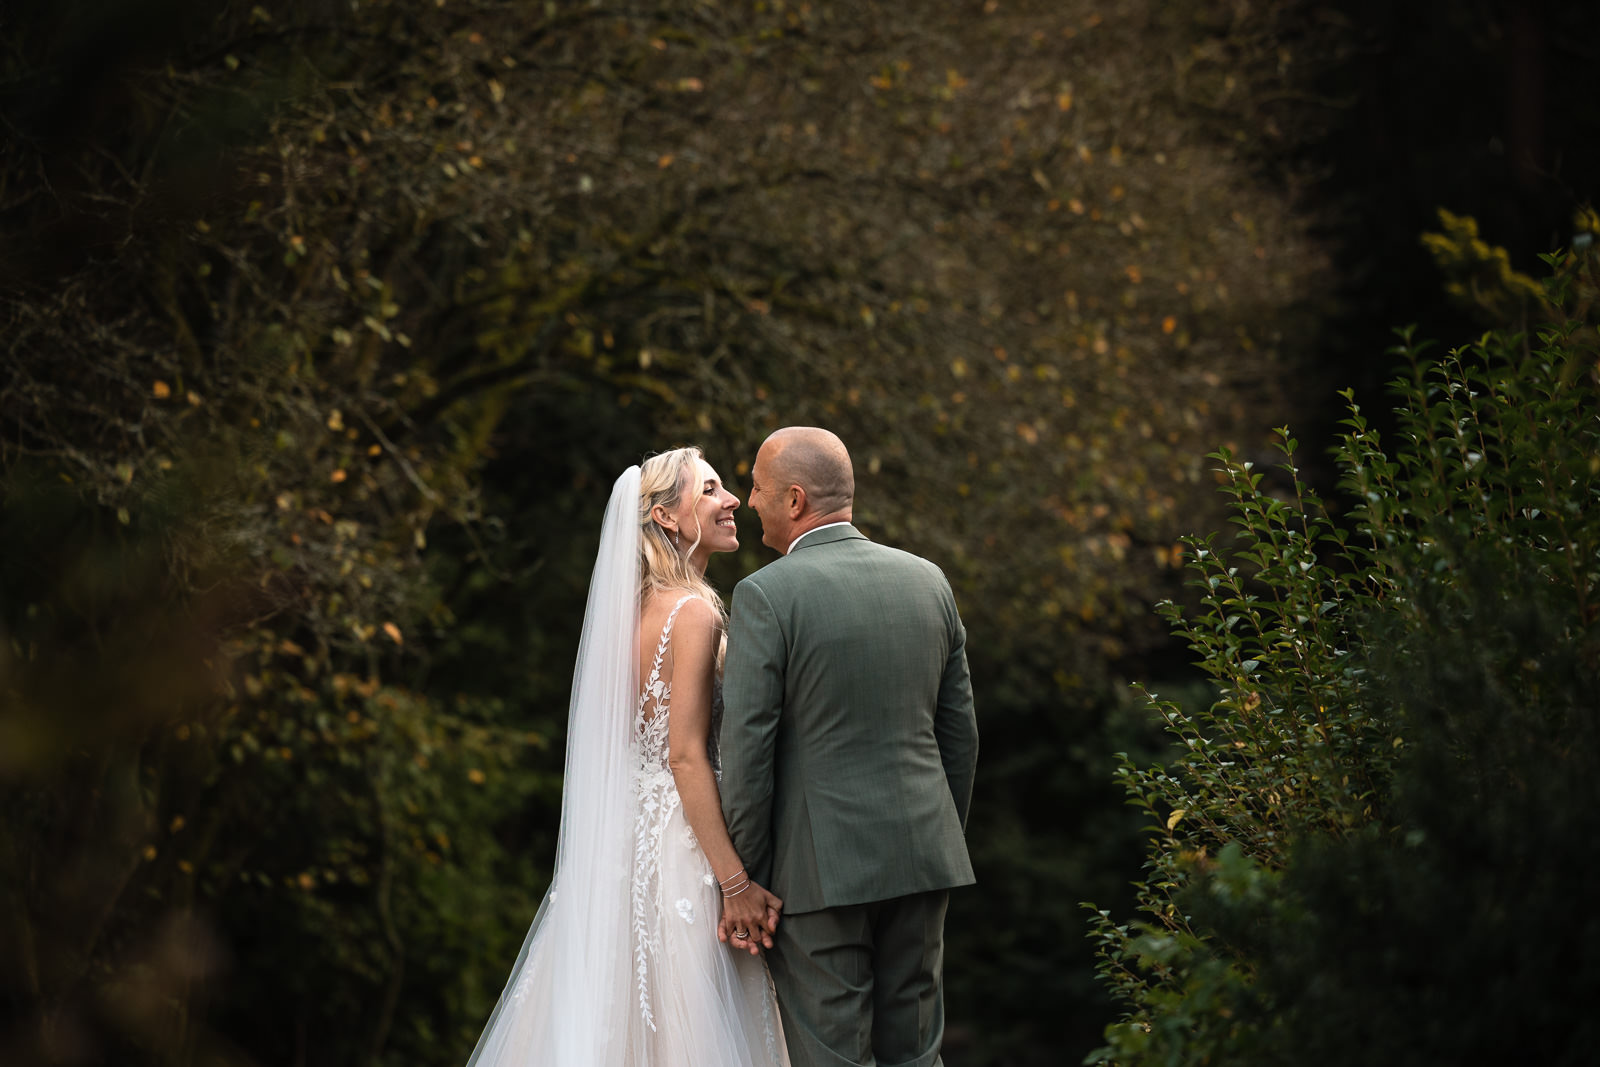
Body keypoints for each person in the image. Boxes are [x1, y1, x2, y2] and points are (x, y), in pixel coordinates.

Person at [465, 447, 789, 1067]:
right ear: (668, 517)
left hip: (617, 849)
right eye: (712, 490)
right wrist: (736, 883)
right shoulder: (693, 613)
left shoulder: (628, 614)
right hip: (683, 846)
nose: (731, 504)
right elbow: (685, 758)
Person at [719, 427, 979, 1067]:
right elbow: (960, 735)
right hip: (923, 855)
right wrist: (936, 835)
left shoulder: (768, 595)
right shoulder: (928, 582)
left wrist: (746, 879)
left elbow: (748, 750)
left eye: (757, 487)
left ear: (796, 500)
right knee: (916, 1055)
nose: (749, 500)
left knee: (833, 1057)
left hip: (817, 873)